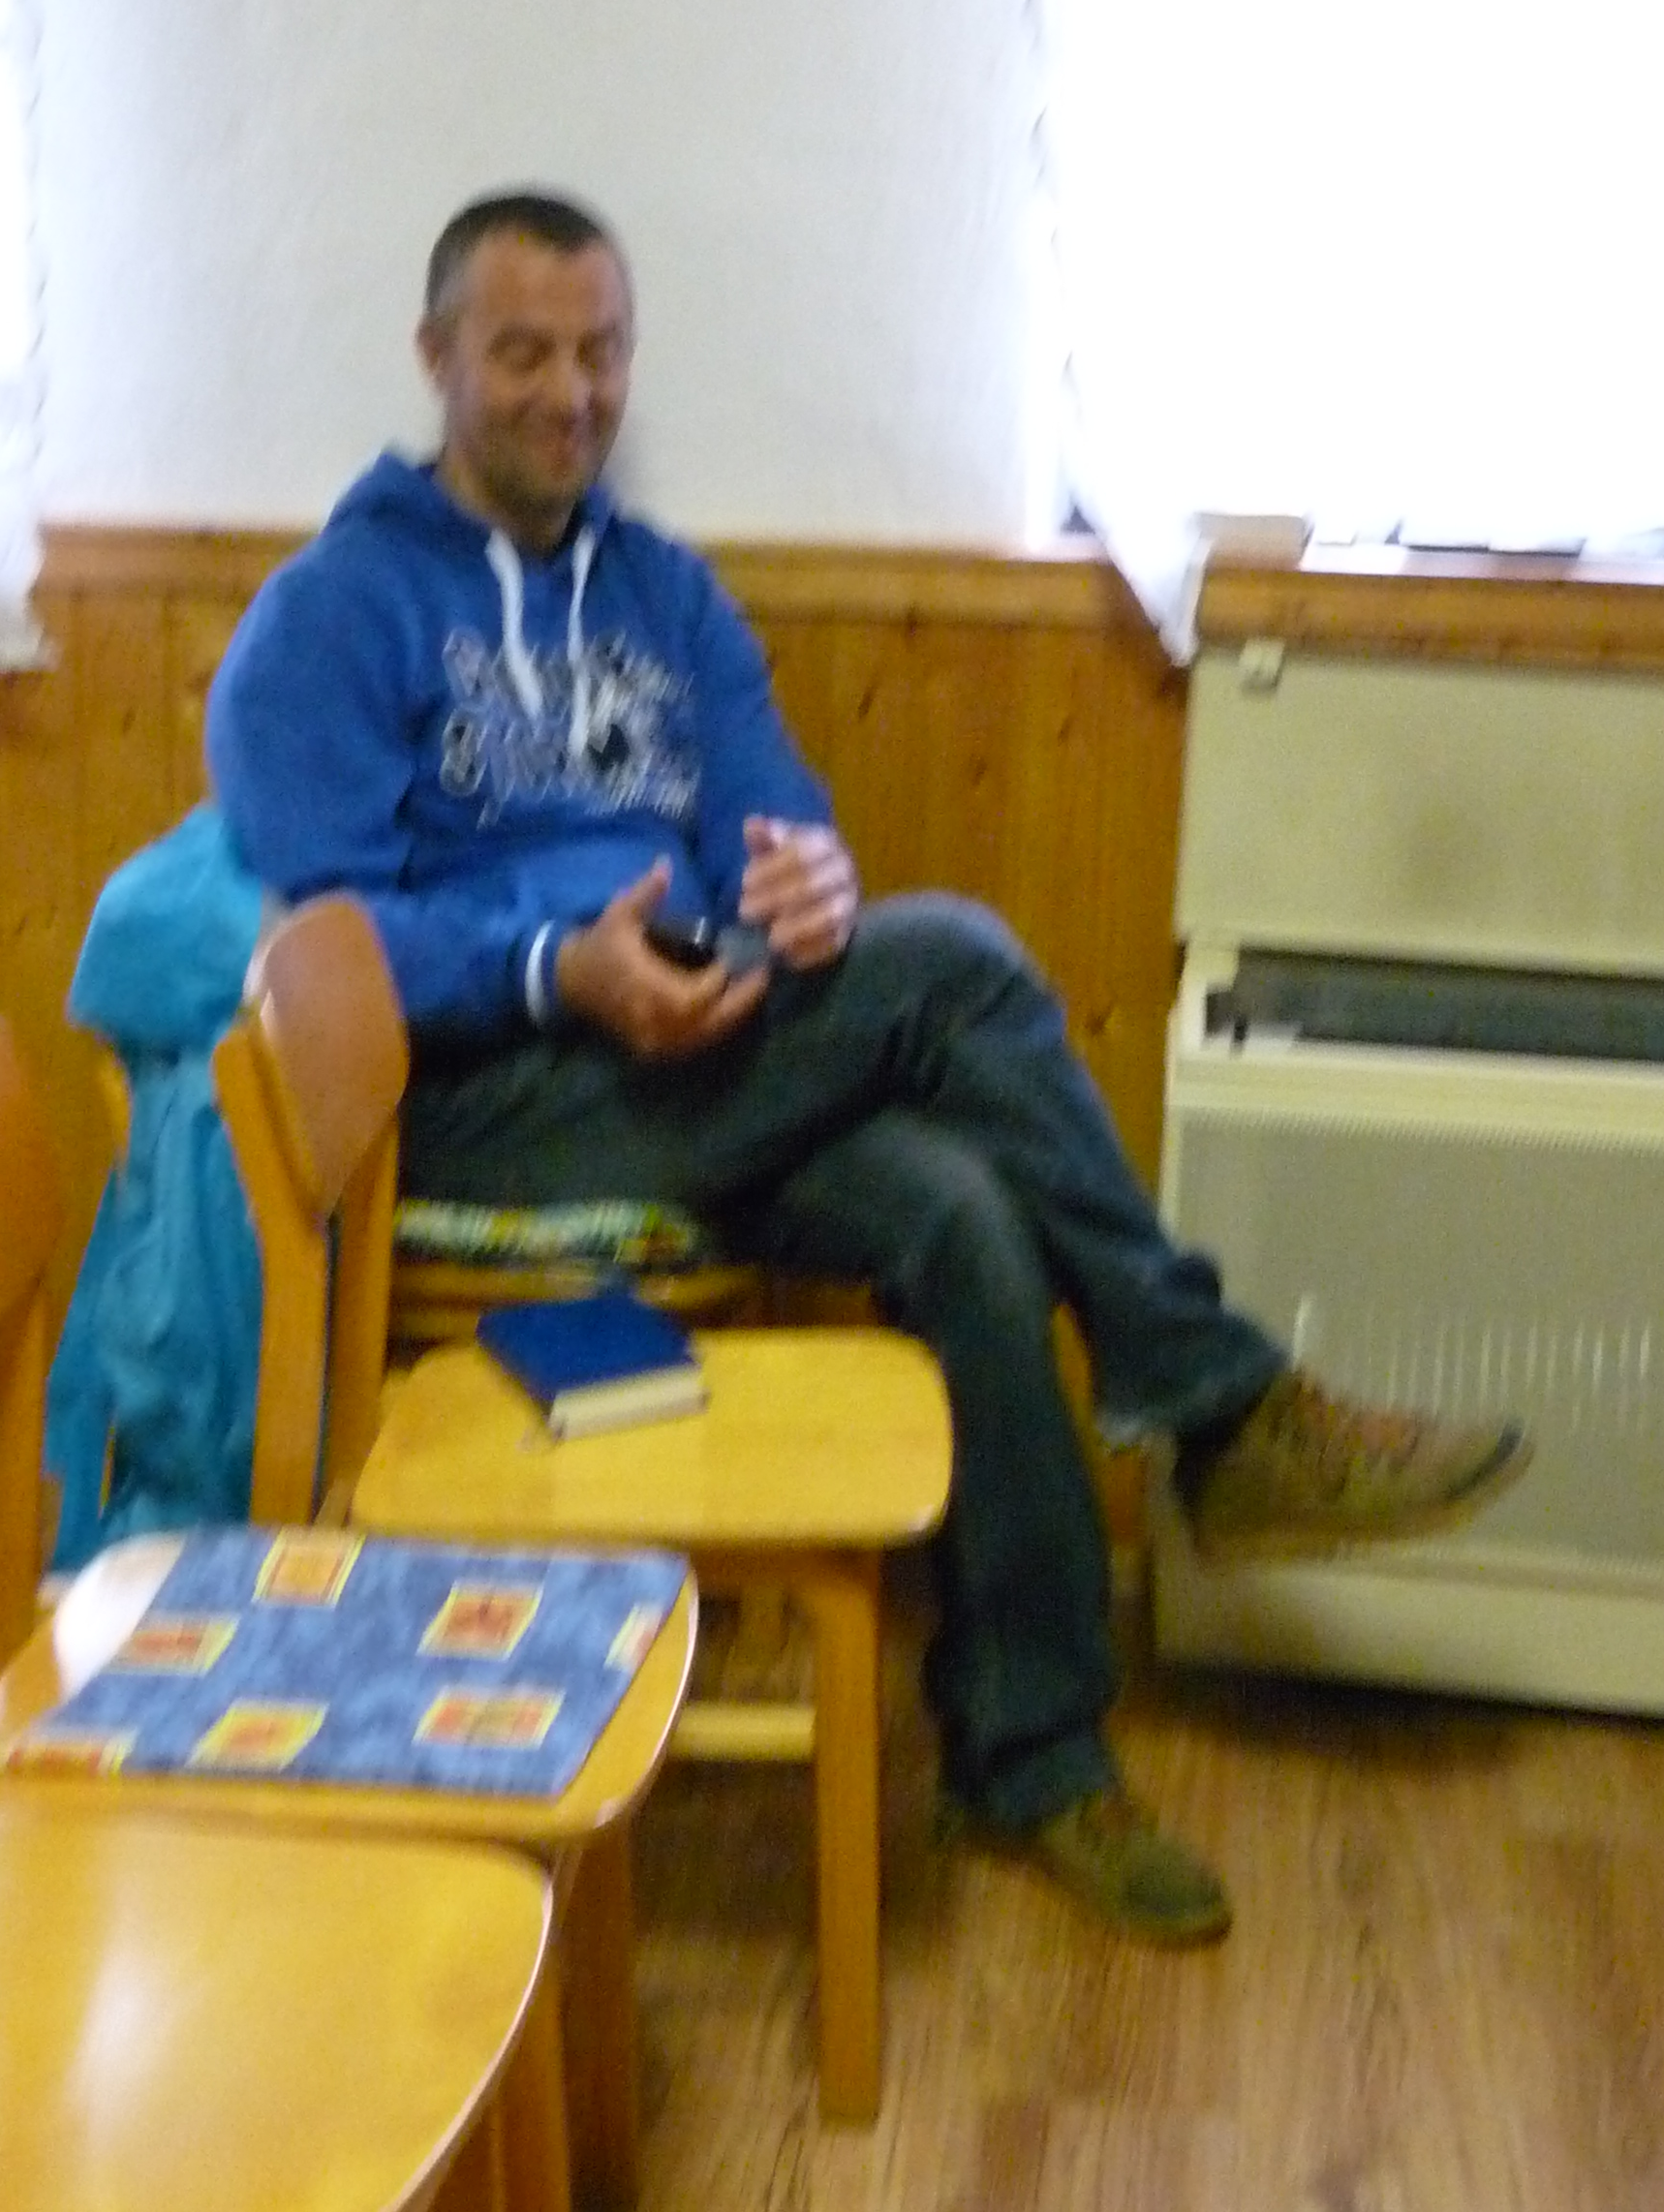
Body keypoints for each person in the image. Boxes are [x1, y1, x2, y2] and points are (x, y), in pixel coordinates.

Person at [204, 189, 1531, 1945]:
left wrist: (804, 886)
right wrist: (556, 968)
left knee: (960, 1208)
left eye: (602, 352)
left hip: (692, 1063)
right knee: (959, 958)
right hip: (484, 1112)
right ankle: (1213, 1400)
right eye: (523, 353)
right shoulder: (330, 613)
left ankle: (1032, 1754)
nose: (571, 393)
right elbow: (330, 943)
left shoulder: (666, 595)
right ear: (437, 355)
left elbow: (776, 813)